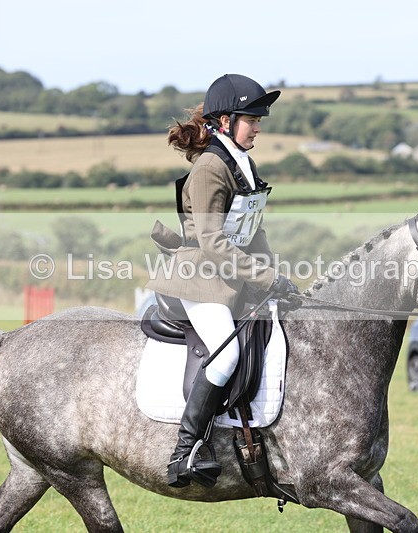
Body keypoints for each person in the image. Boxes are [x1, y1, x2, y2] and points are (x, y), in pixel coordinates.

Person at [146, 74, 299, 489]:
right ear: (225, 121)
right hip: (200, 279)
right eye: (252, 118)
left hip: (230, 278)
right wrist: (265, 277)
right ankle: (185, 450)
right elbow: (213, 242)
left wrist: (279, 277)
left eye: (259, 119)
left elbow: (253, 233)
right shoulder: (211, 167)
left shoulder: (243, 164)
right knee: (227, 355)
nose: (259, 126)